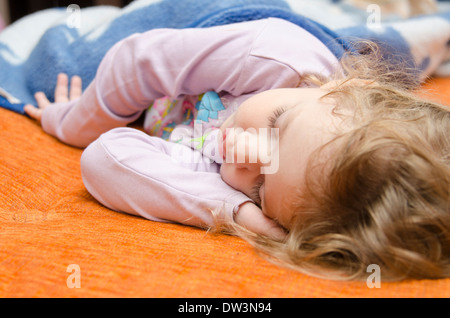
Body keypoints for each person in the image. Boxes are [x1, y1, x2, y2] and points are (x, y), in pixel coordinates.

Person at [24, 18, 450, 281]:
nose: (242, 153)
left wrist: (234, 211)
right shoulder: (277, 56)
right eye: (277, 123)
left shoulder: (234, 182)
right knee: (67, 58)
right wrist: (70, 123)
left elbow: (104, 158)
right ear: (345, 89)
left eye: (262, 187)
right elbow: (136, 62)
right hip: (227, 29)